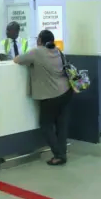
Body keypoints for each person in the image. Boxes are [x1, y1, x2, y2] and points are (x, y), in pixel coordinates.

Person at [14, 30, 72, 166]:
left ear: (40, 40)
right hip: (66, 92)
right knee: (61, 125)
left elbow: (17, 60)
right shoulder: (58, 51)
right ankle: (62, 153)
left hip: (50, 95)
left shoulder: (37, 52)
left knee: (46, 125)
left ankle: (58, 155)